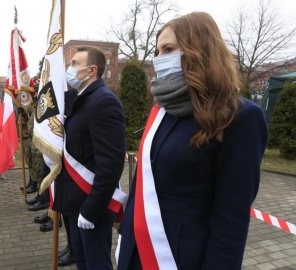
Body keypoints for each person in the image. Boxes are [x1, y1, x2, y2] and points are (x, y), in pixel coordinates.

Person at [116, 12, 268, 270]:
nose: (159, 59)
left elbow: (231, 218)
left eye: (169, 49)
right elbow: (144, 181)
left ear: (199, 49)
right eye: (157, 51)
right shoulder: (162, 108)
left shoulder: (241, 117)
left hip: (181, 255)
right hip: (137, 248)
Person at [52, 46, 126, 269]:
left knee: (96, 265)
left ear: (91, 70)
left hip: (91, 205)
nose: (69, 68)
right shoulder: (79, 100)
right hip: (75, 203)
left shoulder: (104, 102)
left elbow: (111, 165)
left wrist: (91, 210)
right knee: (83, 263)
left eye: (74, 64)